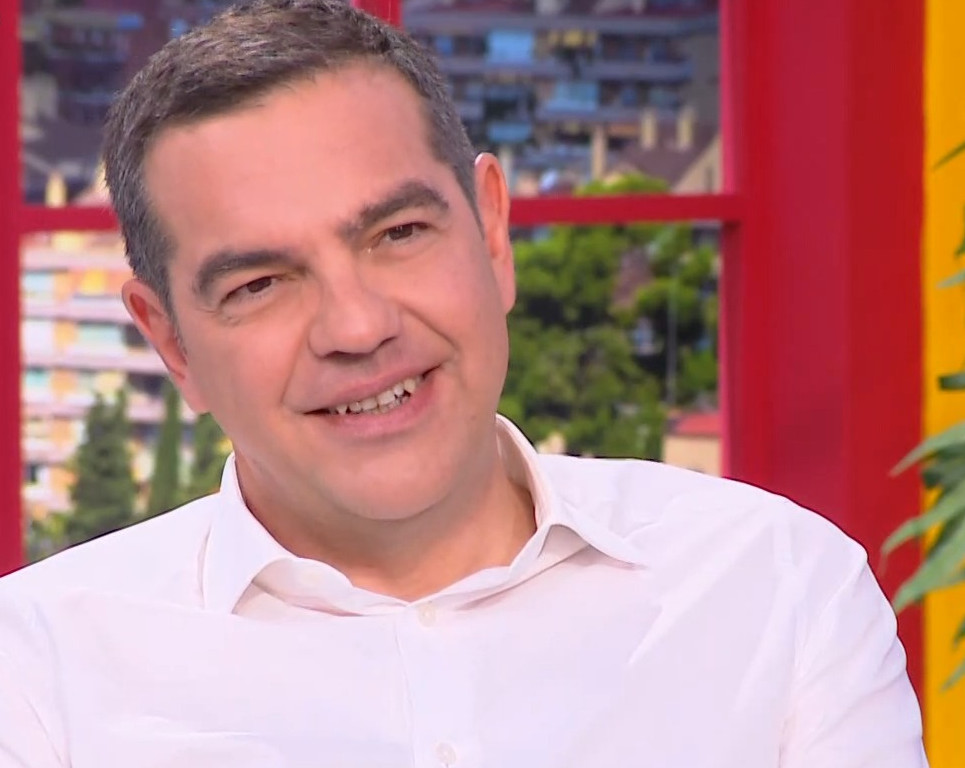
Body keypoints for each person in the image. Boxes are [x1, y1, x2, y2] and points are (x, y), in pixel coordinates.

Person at [0, 1, 928, 766]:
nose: (357, 327)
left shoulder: (777, 587)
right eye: (260, 284)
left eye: (398, 234)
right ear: (171, 342)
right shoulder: (35, 677)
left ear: (491, 232)